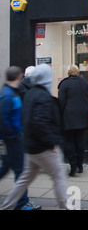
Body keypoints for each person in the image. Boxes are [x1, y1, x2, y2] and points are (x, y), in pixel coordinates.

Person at [1, 64, 68, 210]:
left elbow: (27, 118)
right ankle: (65, 207)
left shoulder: (29, 93)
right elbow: (40, 122)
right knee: (59, 176)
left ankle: (6, 206)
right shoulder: (42, 96)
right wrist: (52, 143)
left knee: (23, 179)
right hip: (43, 147)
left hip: (30, 146)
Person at [0, 66, 41, 210]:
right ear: (20, 77)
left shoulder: (12, 92)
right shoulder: (8, 95)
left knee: (6, 169)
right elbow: (4, 120)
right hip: (12, 140)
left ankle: (21, 202)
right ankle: (22, 203)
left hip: (12, 139)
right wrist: (13, 136)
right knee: (21, 171)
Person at [58, 64, 88, 176]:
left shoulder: (64, 84)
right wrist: (86, 106)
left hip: (69, 117)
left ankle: (73, 165)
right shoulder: (84, 82)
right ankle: (80, 165)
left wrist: (62, 112)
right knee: (80, 140)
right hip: (83, 116)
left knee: (69, 141)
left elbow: (61, 102)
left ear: (68, 72)